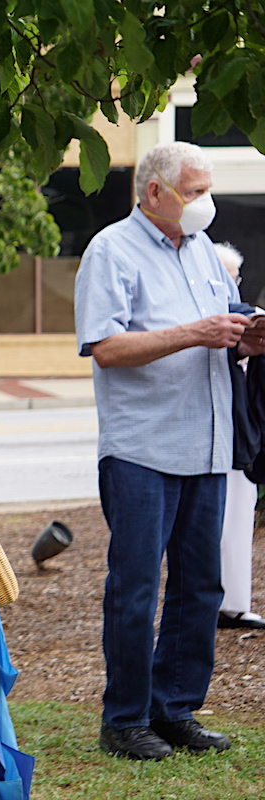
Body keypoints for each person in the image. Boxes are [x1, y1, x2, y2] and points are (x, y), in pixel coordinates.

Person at [75, 141, 265, 761]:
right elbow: (106, 347)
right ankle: (125, 718)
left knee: (201, 587)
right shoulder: (111, 250)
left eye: (208, 189)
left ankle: (175, 709)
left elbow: (217, 331)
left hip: (207, 445)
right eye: (196, 190)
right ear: (155, 191)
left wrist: (244, 336)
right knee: (135, 588)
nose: (206, 202)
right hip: (142, 448)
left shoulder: (204, 249)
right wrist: (197, 333)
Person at [212, 241, 265, 630]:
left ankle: (235, 602)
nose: (234, 285)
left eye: (236, 278)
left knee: (239, 516)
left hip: (241, 438)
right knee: (225, 520)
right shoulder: (217, 320)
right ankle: (225, 604)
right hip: (223, 438)